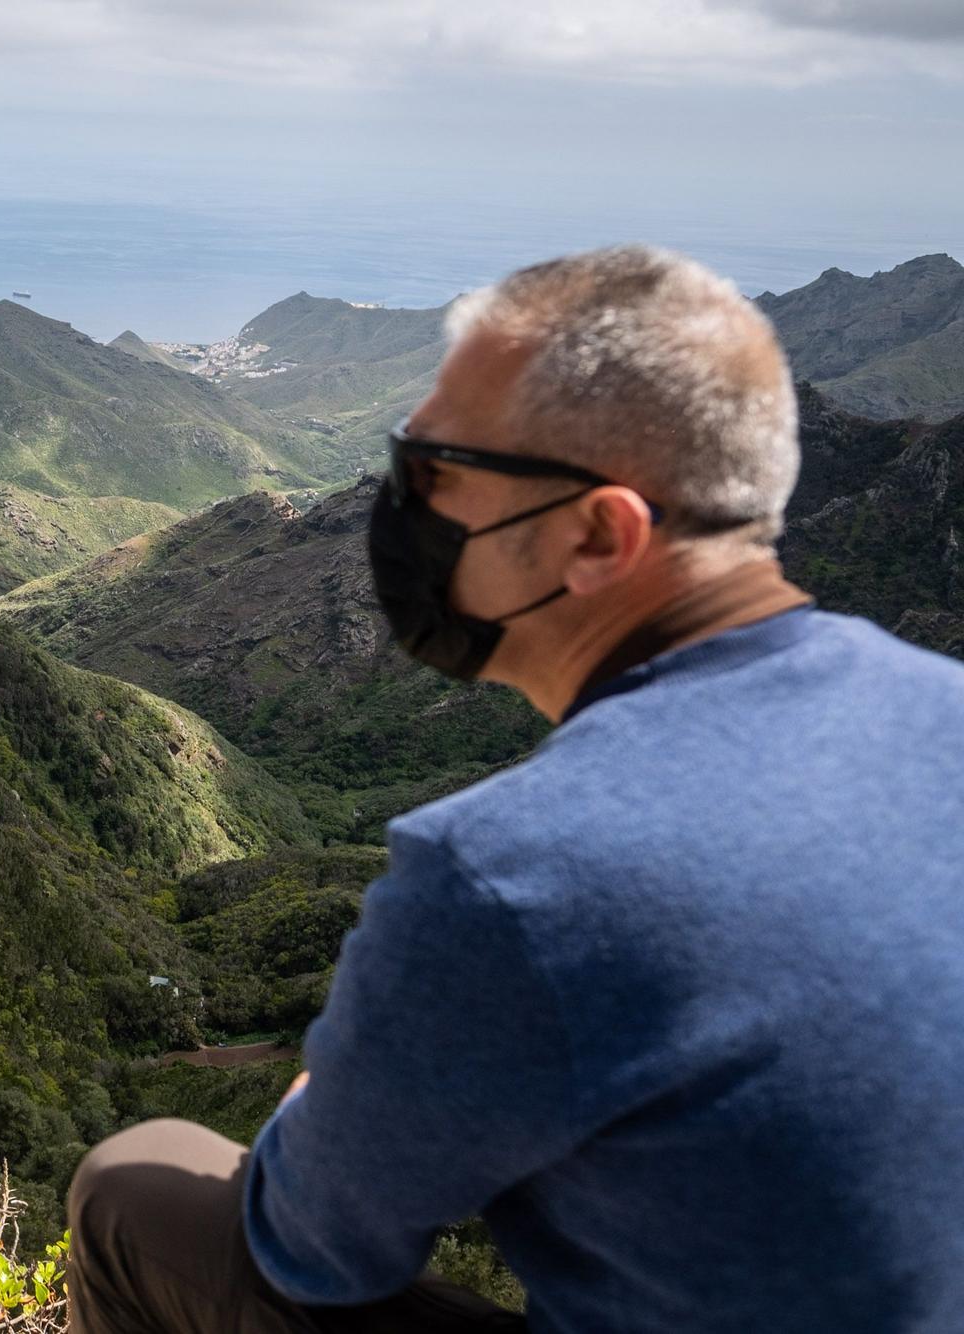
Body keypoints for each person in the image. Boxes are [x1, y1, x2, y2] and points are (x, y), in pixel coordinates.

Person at [64, 245, 964, 1333]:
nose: (399, 509)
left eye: (435, 474)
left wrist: (335, 1090)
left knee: (135, 1182)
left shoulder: (510, 873)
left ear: (598, 534)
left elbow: (310, 1245)